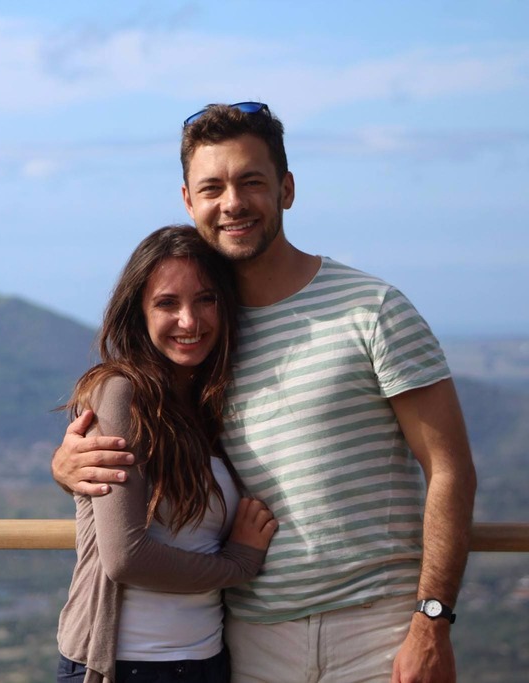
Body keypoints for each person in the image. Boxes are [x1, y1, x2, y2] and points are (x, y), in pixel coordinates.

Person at [53, 103, 476, 683]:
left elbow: (450, 468)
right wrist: (69, 467)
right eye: (213, 187)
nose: (232, 202)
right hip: (248, 639)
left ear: (287, 189)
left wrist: (432, 621)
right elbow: (149, 442)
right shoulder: (206, 337)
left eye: (251, 181)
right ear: (189, 202)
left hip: (375, 631)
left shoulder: (372, 309)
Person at [56, 226, 277, 683]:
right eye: (167, 303)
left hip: (208, 661)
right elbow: (126, 558)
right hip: (125, 666)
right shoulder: (121, 394)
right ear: (138, 312)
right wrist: (237, 565)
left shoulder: (210, 405)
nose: (189, 321)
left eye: (205, 300)